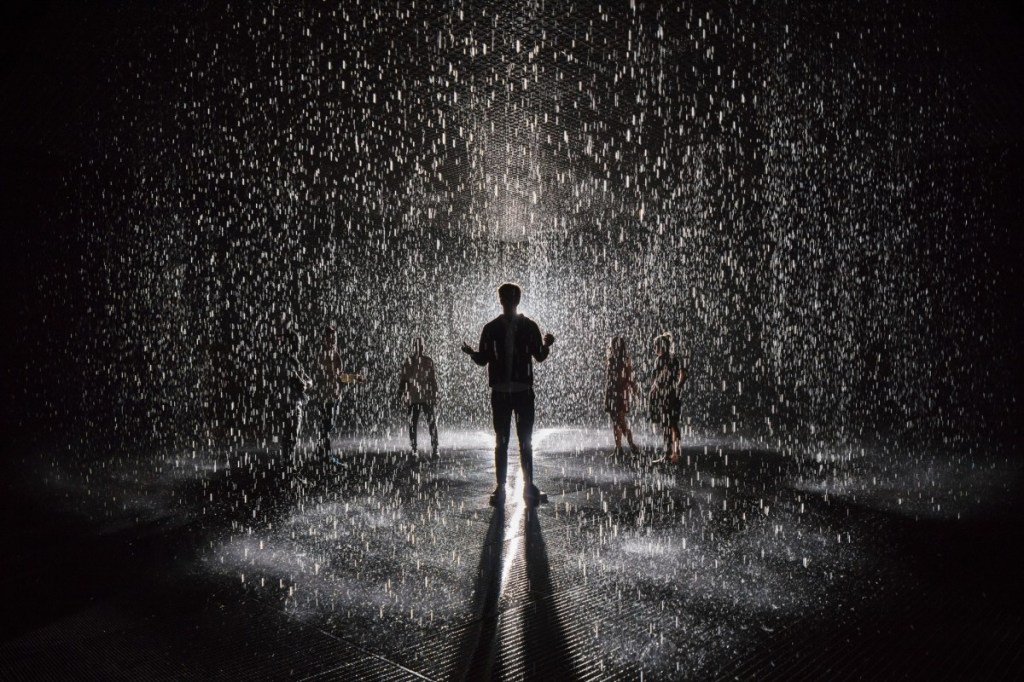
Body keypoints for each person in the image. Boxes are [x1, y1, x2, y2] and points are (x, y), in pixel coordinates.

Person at [462, 282, 555, 506]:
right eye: (505, 298)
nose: (506, 302)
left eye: (507, 298)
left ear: (511, 300)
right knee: (516, 441)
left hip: (509, 391)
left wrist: (546, 345)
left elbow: (485, 359)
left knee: (509, 440)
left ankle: (508, 487)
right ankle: (518, 486)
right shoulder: (523, 326)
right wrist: (546, 345)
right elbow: (538, 356)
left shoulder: (495, 327)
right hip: (516, 390)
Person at [309, 323, 365, 457]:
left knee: (328, 425)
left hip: (333, 396)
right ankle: (326, 454)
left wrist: (354, 377)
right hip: (325, 396)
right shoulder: (322, 355)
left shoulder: (335, 355)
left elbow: (339, 377)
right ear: (324, 339)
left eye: (335, 338)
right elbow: (324, 376)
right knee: (327, 425)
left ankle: (321, 451)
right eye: (330, 338)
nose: (333, 341)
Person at [397, 337, 439, 458]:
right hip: (417, 397)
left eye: (420, 346)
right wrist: (401, 394)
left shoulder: (423, 361)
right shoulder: (414, 361)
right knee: (420, 423)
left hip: (422, 397)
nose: (419, 348)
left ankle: (430, 448)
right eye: (418, 346)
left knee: (425, 423)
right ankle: (422, 448)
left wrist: (435, 393)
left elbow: (432, 380)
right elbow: (404, 380)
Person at [649, 332, 686, 463]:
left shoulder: (660, 360)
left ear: (661, 347)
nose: (654, 349)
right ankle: (675, 453)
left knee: (667, 425)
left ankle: (668, 454)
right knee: (673, 424)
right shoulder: (674, 358)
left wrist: (658, 387)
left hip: (665, 396)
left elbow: (658, 378)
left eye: (655, 346)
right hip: (671, 395)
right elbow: (683, 374)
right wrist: (677, 388)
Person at [278, 330, 312, 460]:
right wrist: (304, 383)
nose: (299, 344)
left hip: (293, 402)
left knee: (291, 435)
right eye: (297, 342)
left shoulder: (295, 361)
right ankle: (287, 464)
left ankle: (288, 463)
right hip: (290, 403)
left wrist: (305, 382)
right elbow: (301, 383)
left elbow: (308, 381)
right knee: (291, 435)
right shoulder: (287, 361)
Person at [605, 336, 640, 457]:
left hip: (620, 393)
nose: (616, 347)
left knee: (620, 421)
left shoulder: (624, 360)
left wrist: (634, 390)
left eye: (618, 345)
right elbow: (610, 377)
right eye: (614, 345)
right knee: (616, 422)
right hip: (612, 392)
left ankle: (631, 446)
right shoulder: (611, 359)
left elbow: (629, 377)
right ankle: (619, 448)